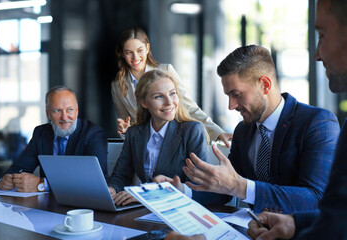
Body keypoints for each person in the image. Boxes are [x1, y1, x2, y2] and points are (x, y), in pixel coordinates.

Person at [159, 44, 339, 213]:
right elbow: (226, 187)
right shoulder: (243, 131)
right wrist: (183, 191)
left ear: (265, 85)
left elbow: (316, 198)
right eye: (228, 96)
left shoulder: (317, 123)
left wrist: (241, 187)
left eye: (236, 94)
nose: (231, 106)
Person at [247, 0, 347, 239]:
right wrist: (294, 223)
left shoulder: (319, 123)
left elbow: (327, 217)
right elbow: (340, 216)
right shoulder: (244, 130)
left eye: (322, 35)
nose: (317, 54)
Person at [111, 27, 232, 146]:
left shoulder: (166, 70)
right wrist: (125, 131)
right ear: (122, 54)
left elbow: (190, 108)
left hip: (176, 141)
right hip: (146, 146)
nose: (135, 57)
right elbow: (126, 123)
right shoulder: (118, 86)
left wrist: (218, 133)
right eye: (128, 52)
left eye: (139, 50)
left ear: (147, 48)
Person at [108, 69, 209, 206]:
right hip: (145, 209)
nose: (169, 102)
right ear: (144, 102)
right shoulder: (134, 133)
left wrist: (146, 195)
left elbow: (200, 185)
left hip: (179, 208)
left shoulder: (192, 130)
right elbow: (121, 175)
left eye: (172, 94)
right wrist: (111, 190)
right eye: (158, 97)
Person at [0, 86, 108, 193]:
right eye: (57, 111)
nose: (64, 117)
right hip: (47, 205)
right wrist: (5, 180)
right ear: (48, 113)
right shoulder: (41, 133)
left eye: (69, 110)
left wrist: (42, 184)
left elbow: (92, 179)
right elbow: (19, 168)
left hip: (85, 206)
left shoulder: (93, 133)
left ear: (77, 111)